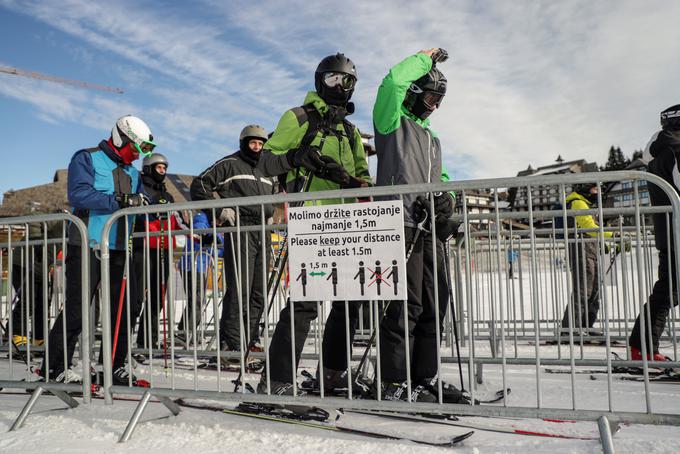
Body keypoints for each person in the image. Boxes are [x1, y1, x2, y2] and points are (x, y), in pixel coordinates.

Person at [256, 53, 371, 395]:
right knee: (307, 300)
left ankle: (333, 372)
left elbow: (364, 177)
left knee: (350, 299)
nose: (341, 87)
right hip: (312, 219)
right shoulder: (299, 117)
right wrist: (296, 157)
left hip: (346, 223)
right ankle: (277, 379)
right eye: (335, 79)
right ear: (321, 80)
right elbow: (265, 160)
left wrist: (355, 184)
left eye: (348, 81)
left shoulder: (350, 132)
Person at [40, 115, 154, 385]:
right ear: (121, 139)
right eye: (134, 150)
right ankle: (54, 369)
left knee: (124, 308)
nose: (136, 157)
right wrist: (119, 200)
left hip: (119, 247)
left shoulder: (133, 173)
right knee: (78, 308)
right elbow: (78, 194)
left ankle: (113, 366)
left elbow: (140, 200)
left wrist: (143, 203)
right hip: (88, 245)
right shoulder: (87, 158)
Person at [372, 48, 458, 402]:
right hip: (399, 223)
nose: (435, 105)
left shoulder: (432, 139)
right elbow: (392, 81)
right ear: (414, 92)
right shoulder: (392, 123)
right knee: (404, 305)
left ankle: (423, 376)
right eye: (431, 96)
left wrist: (447, 201)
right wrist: (425, 58)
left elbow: (442, 177)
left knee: (435, 302)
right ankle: (393, 381)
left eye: (440, 99)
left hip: (428, 228)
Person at [190, 125, 276, 357]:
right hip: (241, 228)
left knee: (259, 290)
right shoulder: (229, 164)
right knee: (240, 288)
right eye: (252, 143)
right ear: (243, 143)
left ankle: (250, 338)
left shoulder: (267, 170)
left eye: (260, 144)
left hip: (263, 229)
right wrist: (218, 211)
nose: (257, 148)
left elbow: (274, 195)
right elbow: (199, 185)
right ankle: (231, 342)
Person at [629, 104, 680, 361]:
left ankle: (642, 347)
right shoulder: (674, 149)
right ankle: (642, 347)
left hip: (669, 230)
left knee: (669, 289)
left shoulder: (661, 150)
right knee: (669, 289)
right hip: (676, 230)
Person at [130, 153, 181, 360]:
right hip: (142, 247)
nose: (163, 171)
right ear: (149, 168)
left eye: (164, 168)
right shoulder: (139, 188)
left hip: (162, 248)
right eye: (159, 168)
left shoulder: (167, 195)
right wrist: (151, 211)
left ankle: (147, 341)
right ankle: (126, 343)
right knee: (137, 298)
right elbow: (135, 214)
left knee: (157, 298)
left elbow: (178, 219)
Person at [558, 181, 620, 337]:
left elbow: (593, 228)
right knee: (583, 290)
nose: (597, 193)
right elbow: (588, 227)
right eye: (594, 189)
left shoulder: (586, 204)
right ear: (585, 189)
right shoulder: (578, 203)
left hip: (590, 249)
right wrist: (612, 236)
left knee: (594, 291)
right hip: (581, 250)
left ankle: (586, 325)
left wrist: (604, 243)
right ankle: (570, 329)